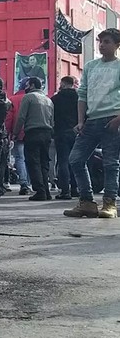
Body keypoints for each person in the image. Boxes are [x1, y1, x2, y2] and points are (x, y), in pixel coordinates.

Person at [64, 29, 120, 219]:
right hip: (91, 120)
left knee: (111, 163)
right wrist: (80, 121)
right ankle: (87, 201)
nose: (102, 45)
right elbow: (83, 94)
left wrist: (118, 118)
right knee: (75, 159)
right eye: (100, 41)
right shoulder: (90, 67)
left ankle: (110, 203)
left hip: (112, 120)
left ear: (117, 45)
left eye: (107, 42)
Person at [13, 77, 55, 201]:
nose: (25, 88)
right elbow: (52, 121)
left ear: (31, 85)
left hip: (33, 133)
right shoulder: (48, 100)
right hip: (46, 133)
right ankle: (46, 191)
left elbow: (21, 117)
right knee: (44, 162)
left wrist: (15, 133)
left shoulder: (28, 97)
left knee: (33, 162)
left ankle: (39, 191)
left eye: (26, 85)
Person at [52, 76, 79, 200]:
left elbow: (51, 116)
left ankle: (65, 190)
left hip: (61, 132)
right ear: (73, 84)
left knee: (63, 161)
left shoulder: (55, 99)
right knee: (76, 161)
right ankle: (75, 188)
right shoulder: (79, 97)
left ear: (63, 84)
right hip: (76, 132)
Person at [6, 82, 32, 195]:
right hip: (32, 132)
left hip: (18, 133)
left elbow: (9, 118)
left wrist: (10, 133)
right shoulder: (34, 98)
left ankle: (24, 183)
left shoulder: (12, 99)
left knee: (19, 158)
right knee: (31, 158)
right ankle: (32, 183)